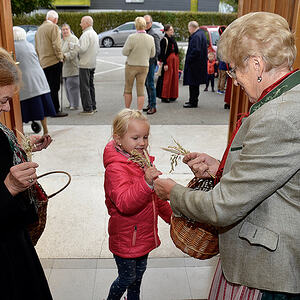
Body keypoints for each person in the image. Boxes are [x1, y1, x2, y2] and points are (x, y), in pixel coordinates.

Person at [154, 12, 300, 299]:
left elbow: (222, 207)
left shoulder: (278, 117)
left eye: (233, 69)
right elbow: (275, 174)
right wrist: (222, 167)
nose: (232, 80)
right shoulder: (287, 97)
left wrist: (172, 192)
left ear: (257, 64)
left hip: (273, 273)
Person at [0, 47, 53, 299]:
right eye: (2, 100)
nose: (8, 109)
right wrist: (8, 187)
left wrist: (25, 146)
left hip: (13, 240)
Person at [103, 109, 172, 300]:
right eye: (135, 138)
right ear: (118, 139)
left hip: (143, 236)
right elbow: (125, 203)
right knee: (127, 277)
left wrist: (171, 217)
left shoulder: (142, 161)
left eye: (145, 137)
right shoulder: (115, 169)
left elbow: (156, 197)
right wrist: (146, 182)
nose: (142, 143)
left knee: (138, 278)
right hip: (126, 238)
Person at [13, 26, 56, 135]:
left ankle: (19, 132)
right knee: (42, 107)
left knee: (22, 109)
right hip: (39, 78)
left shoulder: (13, 47)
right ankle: (45, 130)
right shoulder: (29, 45)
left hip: (26, 80)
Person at [35, 10, 67, 117]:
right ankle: (55, 110)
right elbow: (56, 45)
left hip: (43, 62)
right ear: (55, 19)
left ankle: (48, 109)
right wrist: (60, 57)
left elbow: (36, 47)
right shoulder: (53, 27)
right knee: (55, 87)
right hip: (53, 61)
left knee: (47, 87)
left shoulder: (39, 29)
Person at [122, 17, 155, 111]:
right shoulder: (150, 38)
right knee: (141, 90)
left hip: (131, 65)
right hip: (144, 66)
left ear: (136, 26)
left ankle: (127, 110)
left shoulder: (131, 37)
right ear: (145, 25)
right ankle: (139, 111)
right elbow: (152, 54)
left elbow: (125, 52)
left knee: (128, 88)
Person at [74, 16, 99, 115]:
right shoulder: (94, 33)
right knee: (91, 85)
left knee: (84, 87)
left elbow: (82, 49)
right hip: (92, 63)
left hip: (85, 64)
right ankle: (93, 105)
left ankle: (88, 108)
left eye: (82, 22)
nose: (80, 24)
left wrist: (74, 46)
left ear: (87, 23)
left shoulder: (86, 35)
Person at [183, 21, 207, 108]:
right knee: (195, 84)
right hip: (199, 64)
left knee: (193, 84)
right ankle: (193, 100)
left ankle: (193, 102)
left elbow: (196, 50)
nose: (189, 30)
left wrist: (189, 59)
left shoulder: (196, 36)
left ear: (192, 27)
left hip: (194, 65)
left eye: (189, 28)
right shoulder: (201, 34)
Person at [156, 24, 179, 104]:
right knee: (167, 79)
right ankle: (165, 96)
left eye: (172, 30)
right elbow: (162, 53)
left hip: (174, 62)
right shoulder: (164, 40)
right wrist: (165, 63)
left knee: (173, 79)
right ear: (166, 31)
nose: (172, 31)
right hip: (168, 62)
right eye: (170, 30)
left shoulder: (172, 38)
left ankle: (172, 95)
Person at [143, 14, 160, 115]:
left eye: (147, 22)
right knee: (146, 84)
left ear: (151, 23)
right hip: (144, 63)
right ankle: (150, 104)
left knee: (150, 84)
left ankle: (153, 106)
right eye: (144, 22)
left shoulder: (153, 34)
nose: (145, 24)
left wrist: (148, 57)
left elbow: (157, 51)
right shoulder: (144, 33)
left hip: (150, 62)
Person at [61, 23, 80, 110]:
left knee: (72, 86)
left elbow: (74, 52)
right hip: (64, 67)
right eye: (63, 29)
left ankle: (74, 104)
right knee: (67, 87)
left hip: (72, 66)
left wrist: (64, 56)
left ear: (69, 30)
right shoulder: (62, 40)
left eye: (66, 29)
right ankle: (70, 102)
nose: (65, 31)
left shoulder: (73, 39)